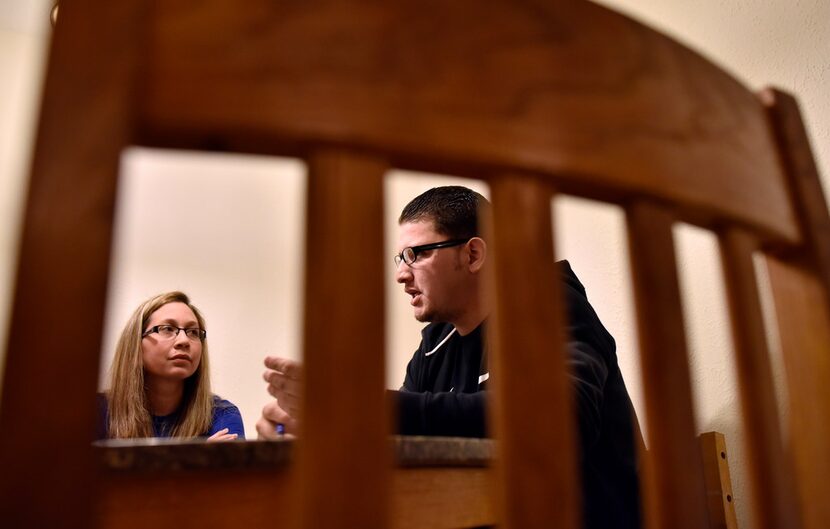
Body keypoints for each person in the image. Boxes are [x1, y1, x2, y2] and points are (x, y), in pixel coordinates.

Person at [256, 186, 640, 529]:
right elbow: (401, 440)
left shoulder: (544, 302)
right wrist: (325, 429)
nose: (401, 275)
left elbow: (560, 418)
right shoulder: (434, 343)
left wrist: (363, 405)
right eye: (399, 259)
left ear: (473, 254)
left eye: (415, 254)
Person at [98, 291, 244, 441]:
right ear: (136, 344)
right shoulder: (97, 412)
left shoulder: (222, 415)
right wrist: (198, 458)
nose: (184, 340)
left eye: (193, 332)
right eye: (167, 329)